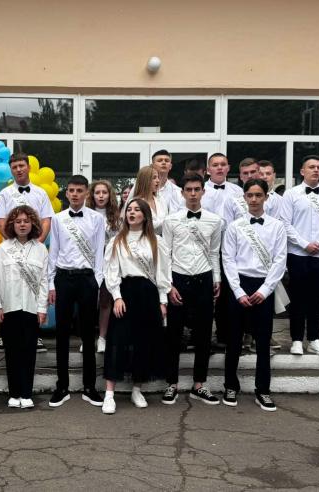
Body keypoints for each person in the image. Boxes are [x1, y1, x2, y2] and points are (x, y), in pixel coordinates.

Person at [222, 178, 287, 411]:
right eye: (250, 195)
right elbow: (228, 259)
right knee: (233, 340)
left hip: (264, 286)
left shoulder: (277, 227)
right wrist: (238, 291)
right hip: (239, 285)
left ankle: (263, 390)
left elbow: (280, 260)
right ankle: (230, 386)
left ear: (266, 197)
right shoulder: (235, 226)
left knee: (262, 341)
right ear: (244, 197)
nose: (254, 199)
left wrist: (265, 290)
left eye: (259, 195)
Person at [101, 198, 169, 414]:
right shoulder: (117, 241)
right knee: (117, 340)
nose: (131, 213)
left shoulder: (156, 241)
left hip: (148, 294)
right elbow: (111, 270)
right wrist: (117, 297)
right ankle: (109, 394)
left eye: (137, 210)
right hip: (125, 292)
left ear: (145, 215)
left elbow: (162, 272)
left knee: (144, 342)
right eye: (129, 209)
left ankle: (137, 389)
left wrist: (163, 300)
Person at [161, 175, 222, 405]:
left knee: (204, 334)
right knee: (174, 334)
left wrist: (217, 278)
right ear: (182, 192)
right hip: (178, 278)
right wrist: (168, 285)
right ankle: (171, 384)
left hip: (204, 278)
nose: (193, 193)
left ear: (203, 191)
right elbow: (165, 255)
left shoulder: (215, 221)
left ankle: (199, 384)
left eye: (197, 189)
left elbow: (214, 252)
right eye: (189, 189)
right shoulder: (170, 220)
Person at [47, 175, 105, 408]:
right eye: (71, 190)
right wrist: (51, 283)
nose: (74, 194)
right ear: (67, 192)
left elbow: (99, 253)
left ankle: (90, 387)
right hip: (63, 278)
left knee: (88, 334)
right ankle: (62, 386)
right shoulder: (58, 219)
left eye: (79, 190)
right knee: (62, 333)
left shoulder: (97, 219)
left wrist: (97, 283)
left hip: (87, 279)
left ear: (86, 193)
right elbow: (53, 251)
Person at [280, 155, 319, 356]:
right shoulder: (290, 194)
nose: (316, 170)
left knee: (316, 299)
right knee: (298, 298)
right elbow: (285, 223)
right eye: (312, 167)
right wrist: (305, 244)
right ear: (302, 171)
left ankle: (314, 340)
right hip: (298, 254)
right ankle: (297, 340)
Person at [0, 152, 54, 353]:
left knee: (34, 288)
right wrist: (14, 241)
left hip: (34, 247)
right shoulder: (5, 194)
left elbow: (46, 220)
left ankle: (35, 333)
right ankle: (5, 334)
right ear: (11, 170)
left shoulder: (40, 193)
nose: (18, 169)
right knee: (10, 288)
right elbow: (0, 221)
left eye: (21, 166)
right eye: (14, 167)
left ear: (28, 167)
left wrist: (35, 242)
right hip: (11, 248)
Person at [0, 205, 49, 409]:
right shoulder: (2, 249)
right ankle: (14, 393)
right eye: (18, 221)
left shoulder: (40, 249)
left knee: (29, 351)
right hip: (9, 306)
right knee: (12, 351)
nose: (22, 225)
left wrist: (42, 308)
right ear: (12, 224)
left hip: (31, 307)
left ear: (33, 224)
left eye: (26, 221)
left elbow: (44, 280)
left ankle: (26, 393)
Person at [200, 153, 242, 347]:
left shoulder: (238, 191)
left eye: (223, 164)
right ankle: (202, 337)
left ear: (228, 168)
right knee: (205, 293)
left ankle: (225, 335)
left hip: (230, 249)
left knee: (227, 293)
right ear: (208, 169)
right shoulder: (200, 190)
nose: (219, 168)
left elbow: (242, 219)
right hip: (205, 248)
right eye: (215, 165)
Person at [86, 180, 121, 353]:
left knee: (106, 300)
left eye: (104, 192)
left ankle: (102, 338)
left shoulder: (117, 217)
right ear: (92, 195)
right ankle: (86, 338)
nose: (101, 196)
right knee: (88, 301)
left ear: (110, 195)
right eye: (97, 192)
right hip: (89, 262)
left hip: (108, 262)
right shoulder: (86, 215)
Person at [128, 166, 168, 234]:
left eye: (158, 177)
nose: (158, 180)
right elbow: (144, 224)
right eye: (154, 178)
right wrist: (168, 221)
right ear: (145, 181)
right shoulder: (135, 202)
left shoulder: (161, 200)